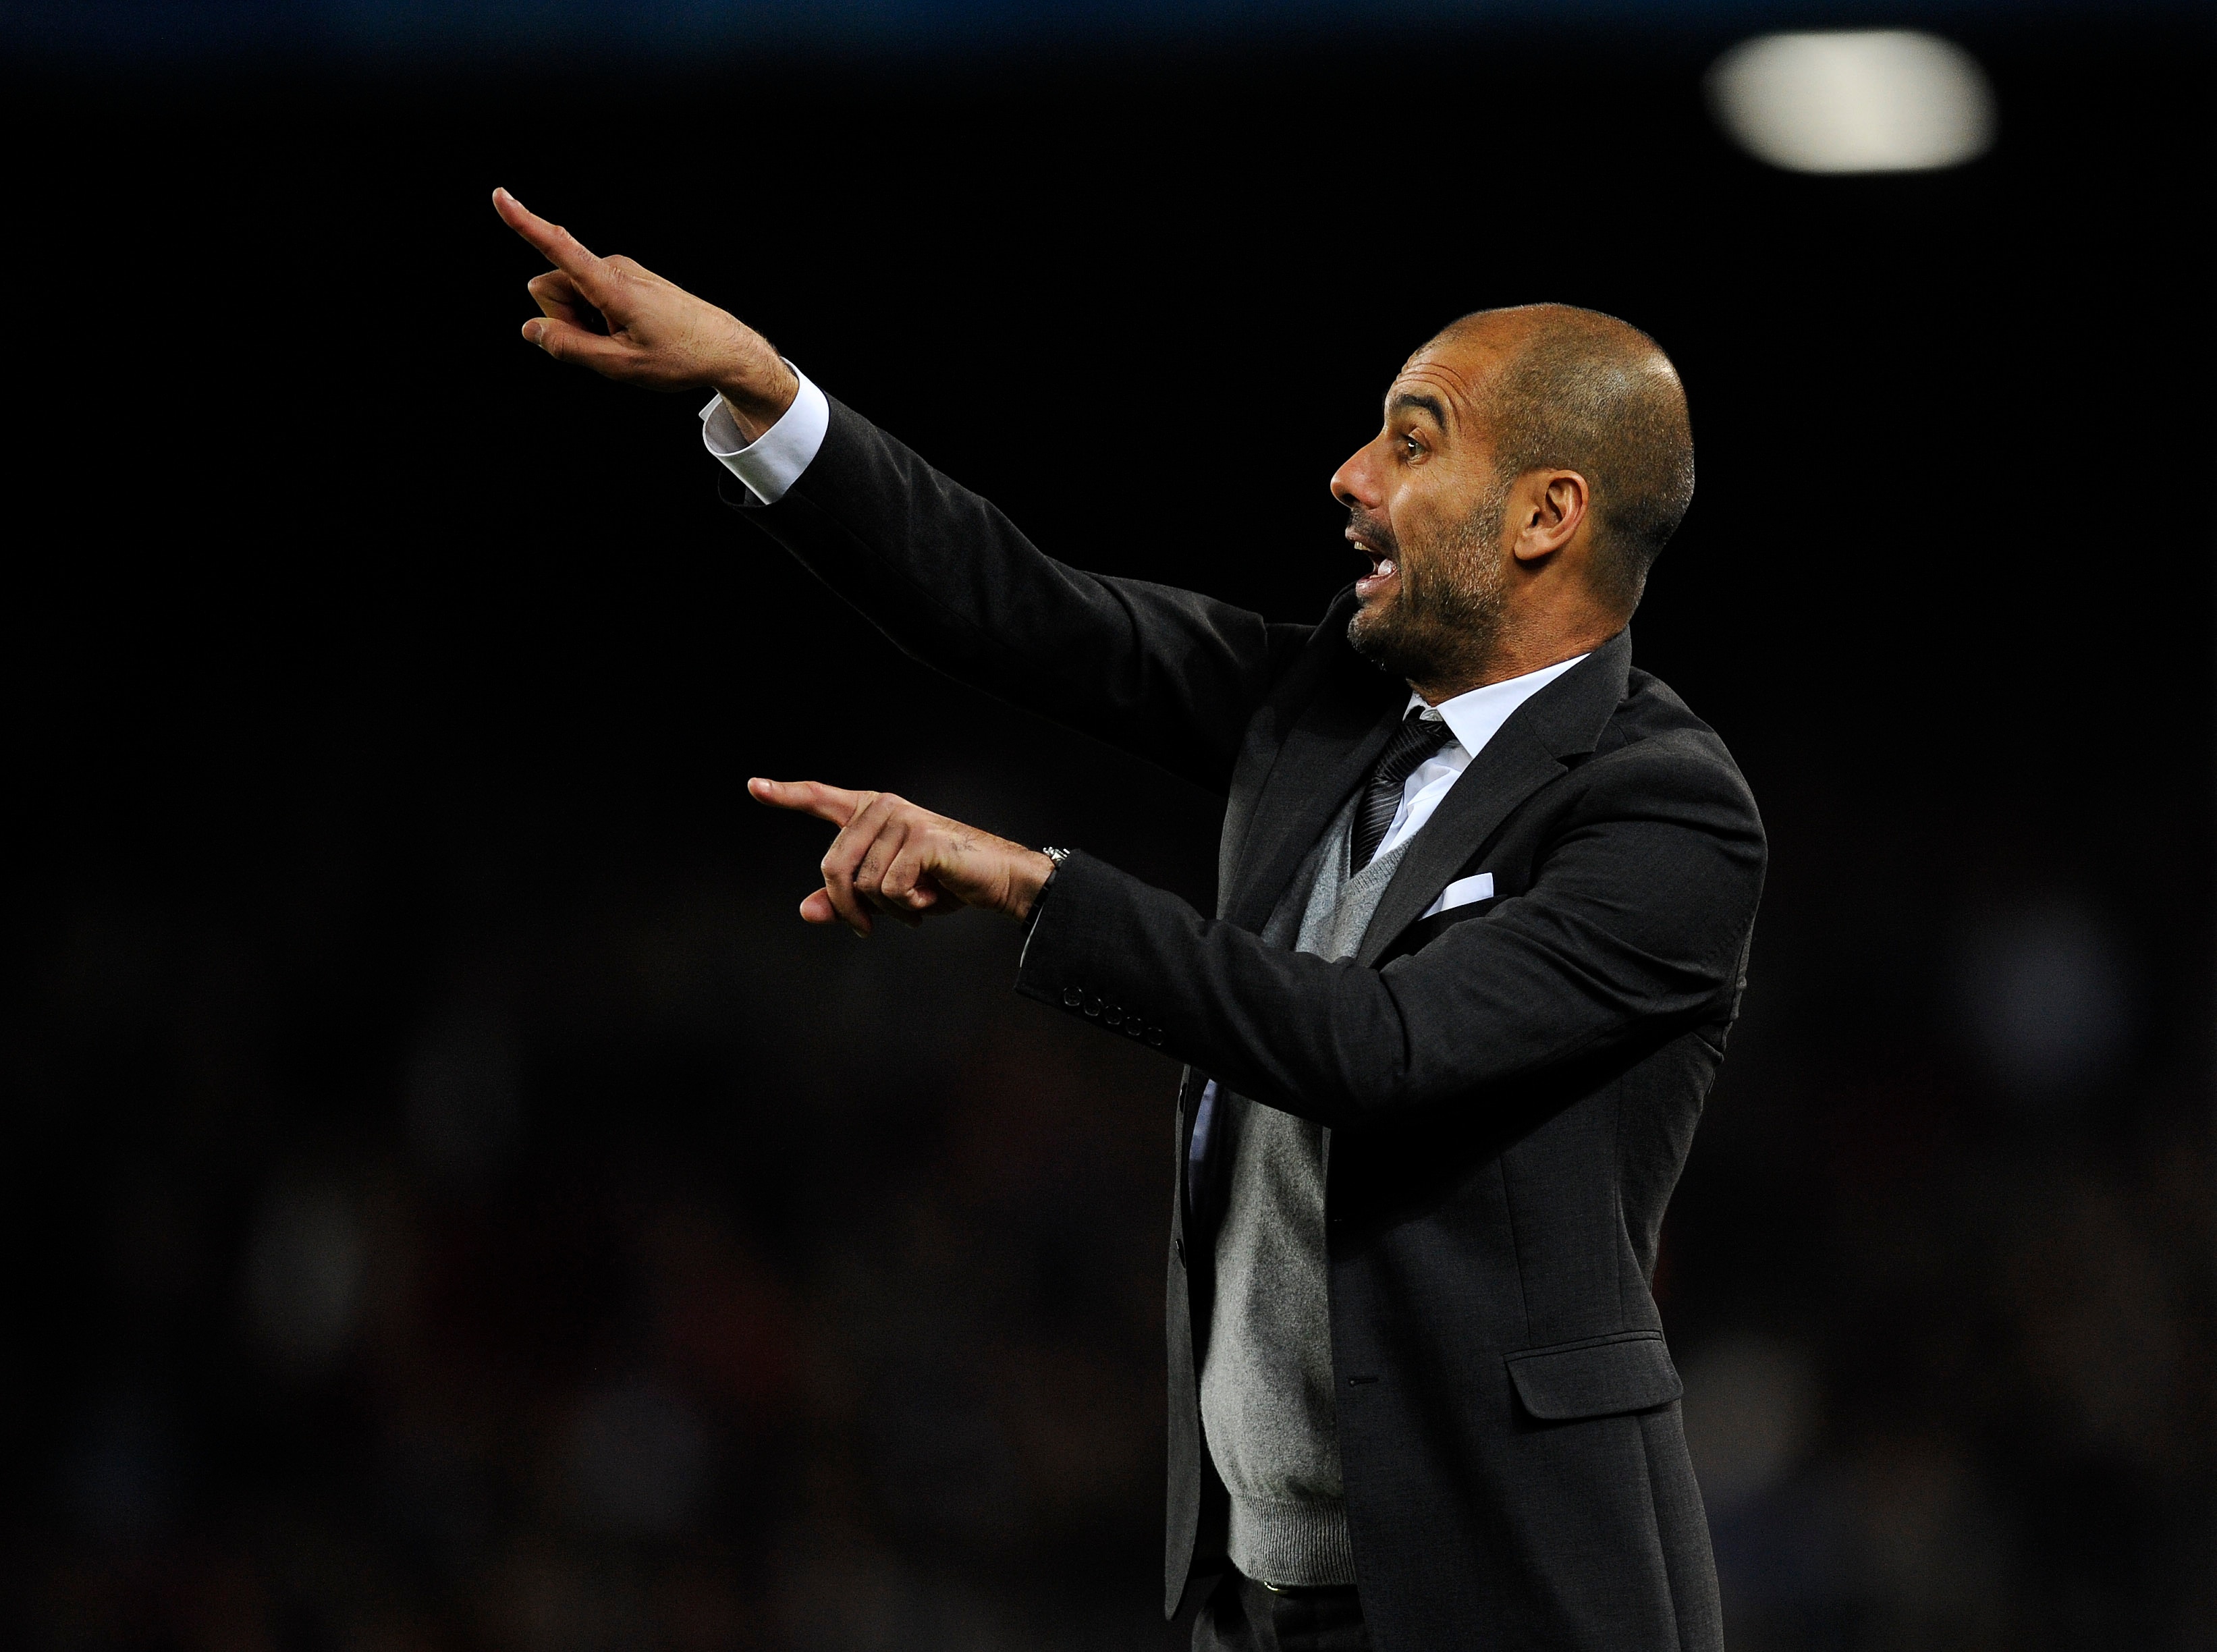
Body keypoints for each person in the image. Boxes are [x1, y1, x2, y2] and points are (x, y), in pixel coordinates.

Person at [493, 186, 1766, 1652]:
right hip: (1256, 1603)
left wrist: (1036, 885)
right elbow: (1026, 613)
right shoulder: (1322, 711)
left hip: (1515, 1596)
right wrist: (758, 389)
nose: (1347, 475)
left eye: (1412, 441)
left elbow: (1380, 1048)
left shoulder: (1663, 813)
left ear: (1547, 513)